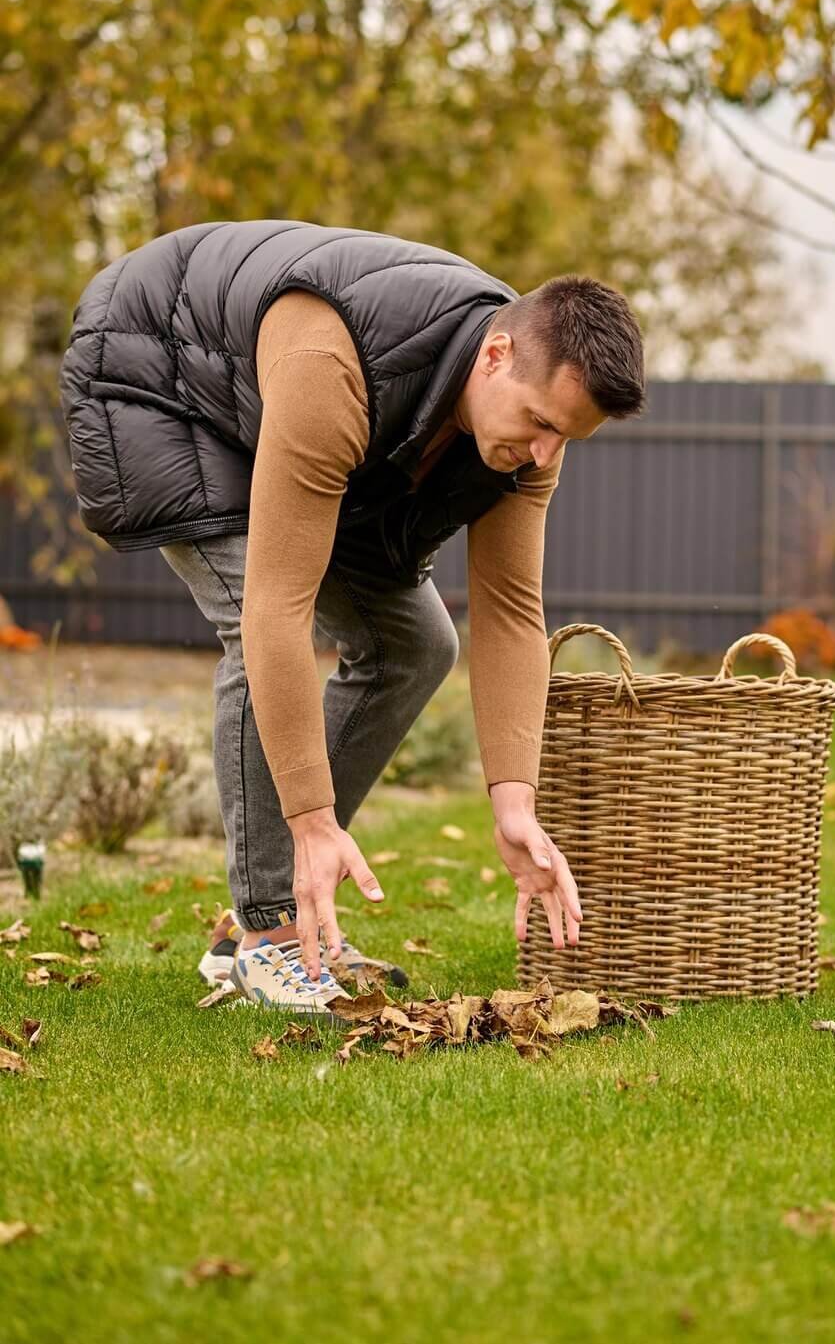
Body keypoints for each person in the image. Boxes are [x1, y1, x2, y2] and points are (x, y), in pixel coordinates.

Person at [58, 220, 646, 1018]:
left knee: (415, 642)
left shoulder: (526, 428)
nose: (546, 453)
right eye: (541, 422)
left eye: (566, 437)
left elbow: (510, 611)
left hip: (268, 397)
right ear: (497, 355)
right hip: (157, 371)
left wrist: (515, 805)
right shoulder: (333, 362)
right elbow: (276, 609)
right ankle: (264, 936)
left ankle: (272, 920)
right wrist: (308, 818)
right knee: (251, 607)